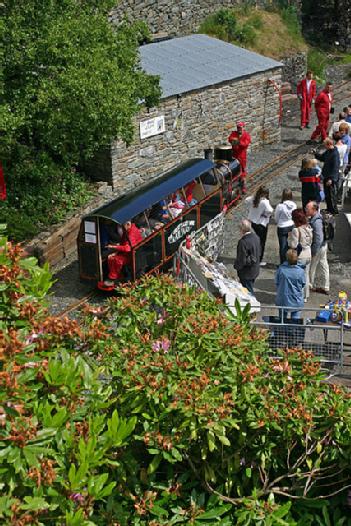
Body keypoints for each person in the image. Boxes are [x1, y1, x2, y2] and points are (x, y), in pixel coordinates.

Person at [288, 209, 313, 301]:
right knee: (306, 275)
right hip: (308, 253)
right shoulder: (309, 227)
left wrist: (289, 238)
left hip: (300, 255)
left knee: (298, 276)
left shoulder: (296, 230)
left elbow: (293, 245)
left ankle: (299, 295)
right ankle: (305, 296)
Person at [305, 201, 329, 295]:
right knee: (324, 265)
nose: (306, 210)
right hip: (323, 246)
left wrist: (313, 251)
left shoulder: (316, 222)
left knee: (312, 267)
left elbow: (318, 238)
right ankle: (326, 286)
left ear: (313, 209)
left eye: (308, 208)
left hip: (318, 247)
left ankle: (310, 284)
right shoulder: (317, 218)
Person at [275, 249, 306, 320]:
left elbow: (277, 282)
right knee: (295, 321)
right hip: (296, 299)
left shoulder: (281, 270)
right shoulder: (301, 271)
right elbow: (303, 284)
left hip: (283, 299)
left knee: (282, 319)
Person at [246, 186, 273, 265]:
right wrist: (265, 215)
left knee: (254, 240)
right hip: (261, 224)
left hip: (252, 222)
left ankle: (252, 256)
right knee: (262, 242)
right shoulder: (264, 201)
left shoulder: (254, 198)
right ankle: (259, 260)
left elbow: (246, 200)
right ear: (265, 194)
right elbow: (270, 211)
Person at [234, 219, 261, 295]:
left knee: (248, 292)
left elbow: (241, 260)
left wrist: (236, 266)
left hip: (246, 273)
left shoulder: (243, 242)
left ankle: (252, 306)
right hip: (255, 270)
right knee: (249, 287)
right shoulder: (256, 237)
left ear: (242, 229)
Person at [315, 137, 340, 214]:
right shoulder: (328, 151)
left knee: (331, 195)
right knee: (327, 195)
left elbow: (335, 167)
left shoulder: (335, 154)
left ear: (329, 145)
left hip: (331, 178)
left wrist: (331, 179)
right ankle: (329, 209)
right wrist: (315, 154)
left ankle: (333, 211)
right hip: (326, 176)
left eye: (325, 145)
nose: (324, 146)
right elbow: (323, 158)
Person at [228, 121, 251, 194]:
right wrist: (235, 141)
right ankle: (235, 185)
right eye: (238, 127)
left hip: (242, 157)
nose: (239, 129)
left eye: (240, 127)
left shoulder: (247, 135)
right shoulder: (234, 133)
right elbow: (230, 139)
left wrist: (237, 142)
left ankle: (243, 187)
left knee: (243, 172)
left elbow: (245, 144)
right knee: (234, 170)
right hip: (234, 155)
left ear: (243, 127)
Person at [274, 188, 297, 264]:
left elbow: (276, 218)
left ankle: (283, 263)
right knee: (292, 244)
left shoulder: (280, 206)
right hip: (291, 225)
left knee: (283, 246)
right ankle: (292, 260)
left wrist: (278, 222)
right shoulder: (294, 205)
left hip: (282, 227)